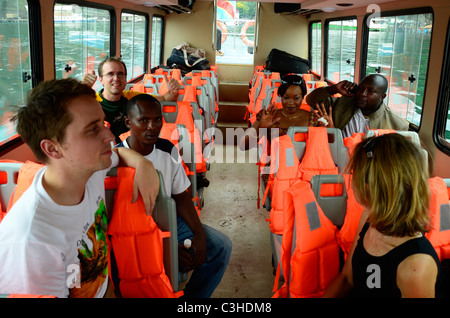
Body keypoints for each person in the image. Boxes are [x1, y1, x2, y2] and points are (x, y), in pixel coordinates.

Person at [0, 78, 160, 298]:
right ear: (53, 148)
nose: (111, 136)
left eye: (103, 123)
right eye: (93, 130)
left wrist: (144, 164)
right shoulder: (33, 244)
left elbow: (119, 153)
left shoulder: (88, 170)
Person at [116, 93, 232, 298]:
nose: (152, 126)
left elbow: (181, 197)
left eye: (157, 120)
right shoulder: (117, 159)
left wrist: (199, 235)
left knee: (220, 246)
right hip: (134, 229)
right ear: (128, 122)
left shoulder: (167, 149)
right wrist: (164, 245)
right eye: (143, 120)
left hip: (169, 220)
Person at [323, 133, 440, 298]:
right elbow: (347, 279)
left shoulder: (416, 267)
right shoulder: (370, 217)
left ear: (370, 186)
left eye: (355, 172)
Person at [82, 56, 181, 143]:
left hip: (131, 150)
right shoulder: (91, 102)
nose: (116, 78)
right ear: (101, 79)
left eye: (120, 74)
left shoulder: (132, 98)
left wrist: (173, 92)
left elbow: (165, 98)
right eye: (110, 74)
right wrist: (81, 88)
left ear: (125, 79)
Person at [239, 73, 332, 151]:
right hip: (278, 169)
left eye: (296, 98)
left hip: (308, 170)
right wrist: (260, 127)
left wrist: (331, 128)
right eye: (286, 98)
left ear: (303, 97)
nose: (290, 103)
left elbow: (331, 148)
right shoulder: (269, 117)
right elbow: (243, 146)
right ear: (281, 97)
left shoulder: (315, 118)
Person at [306, 73, 409, 138]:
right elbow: (311, 100)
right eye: (360, 88)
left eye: (370, 91)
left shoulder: (397, 124)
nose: (362, 94)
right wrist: (334, 89)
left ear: (382, 96)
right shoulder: (342, 104)